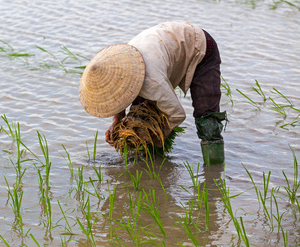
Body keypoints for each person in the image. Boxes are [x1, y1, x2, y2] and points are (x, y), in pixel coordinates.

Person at [79, 21, 227, 166]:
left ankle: (215, 173)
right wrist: (117, 120)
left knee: (207, 118)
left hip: (199, 45)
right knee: (141, 115)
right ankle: (153, 166)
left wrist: (152, 137)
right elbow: (118, 97)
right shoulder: (121, 67)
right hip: (163, 46)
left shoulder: (152, 82)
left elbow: (177, 115)